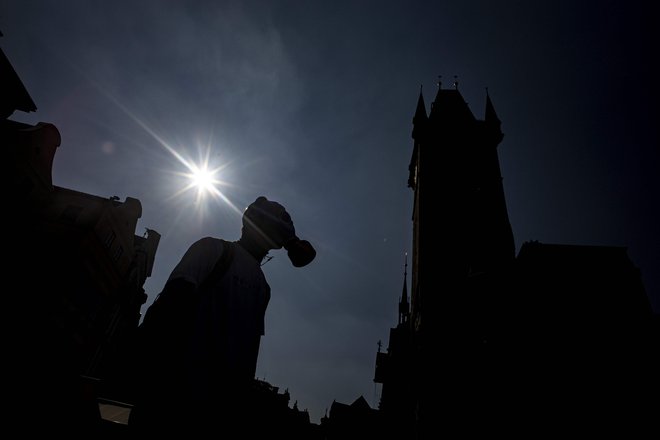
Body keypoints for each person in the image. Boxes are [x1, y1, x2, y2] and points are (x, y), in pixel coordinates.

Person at [128, 196, 316, 433]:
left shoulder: (218, 253)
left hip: (182, 398)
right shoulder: (232, 263)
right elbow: (248, 350)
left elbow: (168, 308)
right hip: (191, 400)